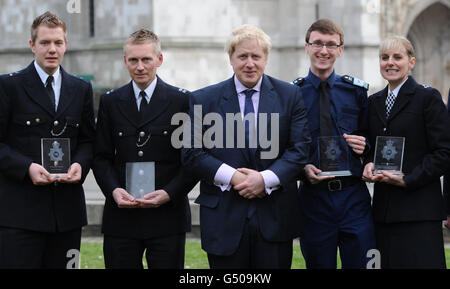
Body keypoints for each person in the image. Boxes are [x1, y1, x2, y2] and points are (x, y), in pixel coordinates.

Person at [182, 24, 311, 269]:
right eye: (242, 56)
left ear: (266, 59)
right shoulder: (203, 99)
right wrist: (234, 178)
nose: (249, 63)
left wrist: (265, 179)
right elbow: (191, 153)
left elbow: (300, 149)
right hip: (223, 219)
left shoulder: (290, 96)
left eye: (255, 56)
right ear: (230, 59)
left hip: (274, 218)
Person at [92, 29, 197, 269]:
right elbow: (101, 157)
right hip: (122, 215)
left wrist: (169, 193)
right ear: (125, 61)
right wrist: (114, 191)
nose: (140, 66)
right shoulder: (110, 101)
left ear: (159, 60)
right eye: (133, 60)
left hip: (167, 216)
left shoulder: (182, 101)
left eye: (146, 59)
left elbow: (192, 159)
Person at [0, 11, 95, 268]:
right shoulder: (9, 87)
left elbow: (88, 140)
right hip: (20, 215)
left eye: (58, 42)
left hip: (67, 215)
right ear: (32, 46)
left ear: (66, 45)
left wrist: (80, 165)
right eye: (44, 43)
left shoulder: (80, 89)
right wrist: (26, 167)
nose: (52, 49)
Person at [292, 19, 375, 269]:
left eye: (331, 45)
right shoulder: (292, 94)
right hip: (313, 200)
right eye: (317, 43)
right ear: (307, 47)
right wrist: (301, 169)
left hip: (353, 198)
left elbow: (371, 136)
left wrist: (367, 148)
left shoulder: (356, 92)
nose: (323, 51)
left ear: (340, 49)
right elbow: (288, 146)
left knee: (365, 264)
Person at [362, 36, 450, 269]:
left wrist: (407, 179)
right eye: (384, 57)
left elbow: (444, 152)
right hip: (383, 213)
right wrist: (368, 163)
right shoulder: (373, 103)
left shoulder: (427, 98)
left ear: (411, 62)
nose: (390, 62)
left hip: (419, 212)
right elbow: (371, 147)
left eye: (397, 57)